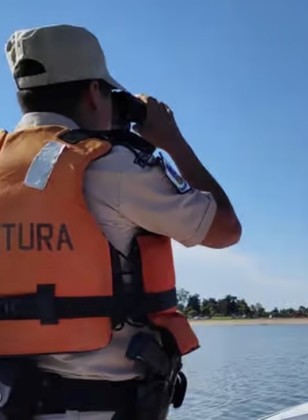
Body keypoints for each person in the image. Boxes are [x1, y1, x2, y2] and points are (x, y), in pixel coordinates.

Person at [0, 24, 241, 419]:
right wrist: (172, 141)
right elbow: (226, 230)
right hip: (98, 406)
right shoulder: (112, 166)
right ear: (94, 92)